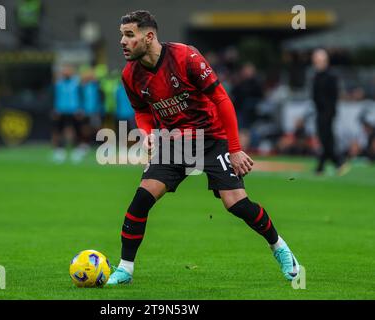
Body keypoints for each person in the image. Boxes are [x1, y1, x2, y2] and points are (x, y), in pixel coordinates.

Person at [107, 10, 301, 285]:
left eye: (129, 35)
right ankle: (125, 269)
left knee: (236, 204)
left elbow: (222, 99)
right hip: (173, 142)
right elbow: (141, 111)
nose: (122, 42)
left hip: (211, 138)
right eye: (121, 35)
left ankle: (279, 247)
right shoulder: (130, 75)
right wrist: (147, 134)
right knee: (141, 200)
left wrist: (234, 149)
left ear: (149, 36)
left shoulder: (185, 57)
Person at [311, 49, 349, 175]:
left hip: (327, 112)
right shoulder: (316, 76)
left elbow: (333, 96)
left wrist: (329, 113)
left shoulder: (331, 76)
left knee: (327, 139)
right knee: (325, 140)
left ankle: (328, 164)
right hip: (319, 111)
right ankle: (330, 164)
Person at [52, 65, 82, 163]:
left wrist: (79, 108)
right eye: (65, 71)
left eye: (68, 71)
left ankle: (76, 151)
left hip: (74, 111)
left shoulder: (76, 83)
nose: (66, 73)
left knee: (75, 131)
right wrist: (56, 109)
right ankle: (60, 151)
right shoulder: (59, 84)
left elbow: (81, 96)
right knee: (59, 131)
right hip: (61, 111)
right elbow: (55, 96)